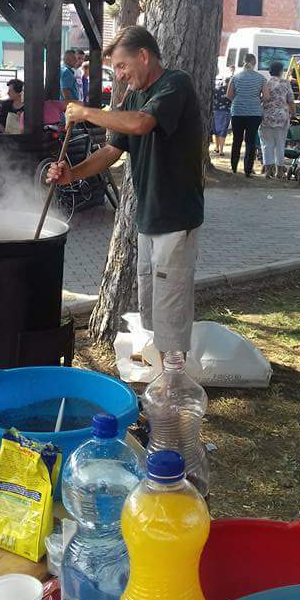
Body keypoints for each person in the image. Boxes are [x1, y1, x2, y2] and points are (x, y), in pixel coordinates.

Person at [48, 26, 203, 357]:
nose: (118, 75)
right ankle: (159, 371)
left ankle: (172, 385)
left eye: (121, 66)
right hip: (148, 217)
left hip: (176, 217)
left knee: (170, 304)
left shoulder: (176, 84)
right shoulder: (134, 97)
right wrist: (71, 174)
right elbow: (109, 153)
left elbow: (141, 124)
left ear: (144, 56)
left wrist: (86, 111)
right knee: (151, 301)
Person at [226, 54, 269, 176]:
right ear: (254, 63)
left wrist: (239, 99)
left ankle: (234, 166)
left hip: (238, 112)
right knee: (250, 141)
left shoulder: (235, 77)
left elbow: (229, 95)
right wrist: (257, 100)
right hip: (254, 113)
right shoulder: (261, 78)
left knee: (237, 139)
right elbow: (266, 96)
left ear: (243, 62)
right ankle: (248, 169)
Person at [259, 61, 294, 179]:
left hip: (267, 115)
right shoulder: (285, 83)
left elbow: (261, 98)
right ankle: (280, 170)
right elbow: (291, 100)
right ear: (281, 71)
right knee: (280, 144)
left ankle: (268, 170)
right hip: (281, 116)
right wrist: (293, 113)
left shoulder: (266, 83)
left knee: (267, 144)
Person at [212, 78, 231, 155]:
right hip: (226, 111)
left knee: (216, 130)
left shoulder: (217, 89)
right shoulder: (231, 91)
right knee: (223, 131)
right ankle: (221, 150)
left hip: (216, 111)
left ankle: (216, 147)